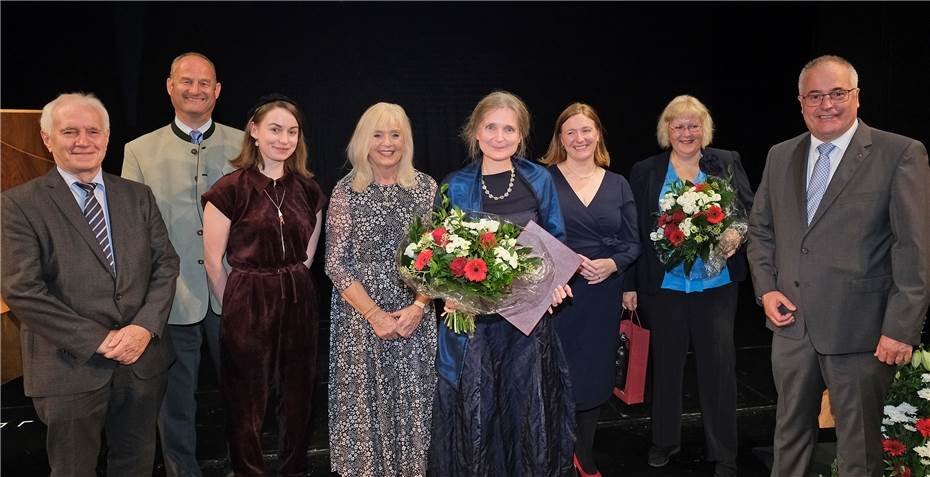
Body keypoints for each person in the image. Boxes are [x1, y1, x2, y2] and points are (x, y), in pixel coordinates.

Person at [748, 55, 930, 477]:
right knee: (788, 437)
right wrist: (767, 288)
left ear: (857, 97)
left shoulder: (899, 153)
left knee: (858, 451)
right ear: (800, 102)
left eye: (837, 93)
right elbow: (761, 232)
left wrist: (900, 328)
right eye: (815, 95)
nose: (826, 104)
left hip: (863, 333)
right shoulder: (781, 155)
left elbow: (913, 248)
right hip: (792, 328)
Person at [1, 93, 180, 476]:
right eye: (69, 131)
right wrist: (98, 340)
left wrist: (143, 329)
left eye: (92, 131)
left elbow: (166, 264)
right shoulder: (17, 205)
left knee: (135, 464)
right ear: (47, 139)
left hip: (140, 362)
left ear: (107, 136)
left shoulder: (137, 196)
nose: (83, 140)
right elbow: (22, 290)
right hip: (68, 366)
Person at [429, 90, 575, 477]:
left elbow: (555, 240)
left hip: (526, 326)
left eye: (508, 128)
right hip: (474, 327)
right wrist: (450, 294)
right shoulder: (454, 184)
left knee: (525, 412)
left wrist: (556, 284)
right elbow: (437, 250)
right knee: (479, 415)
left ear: (521, 135)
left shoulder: (539, 179)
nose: (499, 136)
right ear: (475, 132)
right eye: (490, 127)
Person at [122, 51, 243, 476]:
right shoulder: (138, 151)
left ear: (218, 91)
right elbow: (133, 231)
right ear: (170, 86)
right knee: (174, 401)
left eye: (204, 83)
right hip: (172, 298)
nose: (195, 90)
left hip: (234, 292)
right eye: (186, 81)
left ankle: (246, 465)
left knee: (244, 394)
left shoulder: (246, 143)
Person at [622, 95, 753, 477]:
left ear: (704, 129)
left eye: (693, 125)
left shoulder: (724, 161)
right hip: (663, 287)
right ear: (666, 130)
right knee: (666, 366)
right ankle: (664, 441)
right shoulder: (646, 170)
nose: (686, 132)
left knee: (719, 367)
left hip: (717, 285)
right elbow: (631, 231)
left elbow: (747, 210)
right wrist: (627, 285)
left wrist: (736, 234)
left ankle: (724, 452)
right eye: (677, 125)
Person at [201, 94, 326, 476]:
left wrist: (289, 285)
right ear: (254, 131)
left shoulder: (308, 190)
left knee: (298, 395)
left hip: (298, 297)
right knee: (246, 400)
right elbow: (212, 261)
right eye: (274, 129)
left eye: (292, 131)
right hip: (248, 297)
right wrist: (237, 305)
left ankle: (293, 468)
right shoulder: (229, 189)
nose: (283, 138)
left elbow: (307, 257)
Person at [325, 102, 438, 476]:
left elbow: (437, 256)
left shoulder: (426, 188)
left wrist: (419, 306)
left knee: (414, 404)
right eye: (377, 135)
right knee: (365, 405)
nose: (387, 143)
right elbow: (335, 264)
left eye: (395, 134)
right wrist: (374, 314)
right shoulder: (345, 191)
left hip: (413, 314)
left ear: (406, 141)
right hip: (361, 315)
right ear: (363, 141)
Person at [541, 102, 640, 477]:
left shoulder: (618, 183)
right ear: (561, 139)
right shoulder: (543, 180)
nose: (579, 138)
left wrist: (613, 265)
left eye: (586, 130)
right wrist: (561, 266)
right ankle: (564, 452)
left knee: (596, 374)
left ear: (597, 134)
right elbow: (530, 238)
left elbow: (633, 242)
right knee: (559, 371)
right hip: (558, 296)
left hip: (603, 293)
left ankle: (583, 450)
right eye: (571, 132)